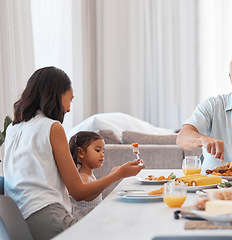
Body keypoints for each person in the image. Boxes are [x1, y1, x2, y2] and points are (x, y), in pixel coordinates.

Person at [3, 66, 145, 240]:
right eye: (70, 99)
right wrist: (119, 174)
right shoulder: (52, 127)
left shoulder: (13, 128)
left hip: (18, 219)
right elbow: (78, 192)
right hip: (47, 218)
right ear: (55, 94)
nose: (69, 108)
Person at [68, 131, 114, 220]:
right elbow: (89, 196)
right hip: (83, 224)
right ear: (81, 153)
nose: (102, 155)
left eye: (103, 151)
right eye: (97, 150)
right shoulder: (82, 177)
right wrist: (113, 175)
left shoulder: (90, 175)